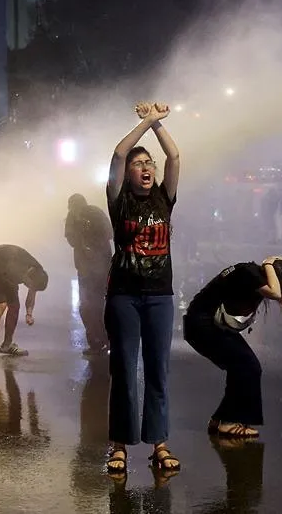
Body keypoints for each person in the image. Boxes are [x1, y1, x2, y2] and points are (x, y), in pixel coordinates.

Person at [104, 101, 181, 475]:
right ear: (128, 175)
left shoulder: (164, 198)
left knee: (158, 370)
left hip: (159, 297)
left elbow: (175, 156)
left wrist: (158, 127)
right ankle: (118, 446)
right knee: (123, 369)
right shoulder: (118, 202)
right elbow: (119, 152)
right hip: (123, 295)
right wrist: (147, 121)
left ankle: (159, 444)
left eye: (148, 162)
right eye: (139, 164)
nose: (146, 167)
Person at [183, 256, 282, 438]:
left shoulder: (257, 278)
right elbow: (276, 293)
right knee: (245, 366)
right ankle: (228, 422)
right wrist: (269, 263)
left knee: (247, 367)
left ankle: (221, 419)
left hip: (213, 325)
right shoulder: (248, 273)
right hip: (201, 325)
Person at [65, 193, 113, 356]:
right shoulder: (72, 218)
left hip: (102, 266)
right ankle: (96, 341)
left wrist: (93, 246)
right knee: (87, 306)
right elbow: (70, 239)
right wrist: (81, 243)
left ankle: (107, 340)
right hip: (85, 268)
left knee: (99, 304)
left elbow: (109, 233)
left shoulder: (95, 213)